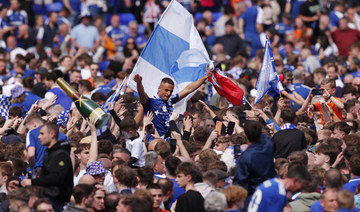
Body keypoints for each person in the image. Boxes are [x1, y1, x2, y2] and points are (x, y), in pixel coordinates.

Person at [133, 69, 212, 137]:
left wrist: (205, 77)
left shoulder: (171, 100)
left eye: (171, 91)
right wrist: (139, 82)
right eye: (166, 90)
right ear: (159, 88)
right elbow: (142, 93)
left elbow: (188, 89)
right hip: (154, 142)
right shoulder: (150, 101)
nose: (168, 93)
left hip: (168, 140)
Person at [21, 122, 74, 211]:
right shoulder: (50, 153)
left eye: (42, 134)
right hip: (49, 197)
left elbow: (56, 177)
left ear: (52, 134)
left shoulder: (60, 154)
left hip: (57, 200)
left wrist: (32, 182)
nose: (39, 137)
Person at [233, 120, 277, 207]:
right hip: (271, 192)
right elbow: (265, 137)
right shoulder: (269, 145)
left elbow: (240, 182)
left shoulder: (245, 157)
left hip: (253, 197)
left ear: (244, 135)